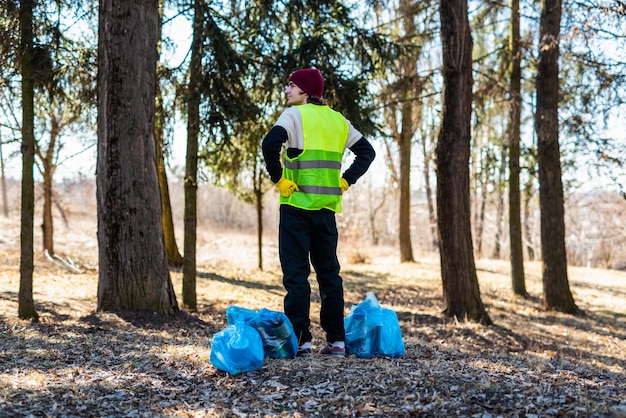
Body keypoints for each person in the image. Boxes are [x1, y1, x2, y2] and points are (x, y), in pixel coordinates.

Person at [261, 68, 375, 358]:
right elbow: (367, 152)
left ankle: (301, 341)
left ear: (306, 92)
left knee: (297, 277)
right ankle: (337, 341)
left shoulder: (294, 116)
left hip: (296, 207)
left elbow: (269, 144)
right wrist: (346, 180)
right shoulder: (338, 120)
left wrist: (278, 179)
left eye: (292, 85)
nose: (287, 90)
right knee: (329, 276)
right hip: (326, 212)